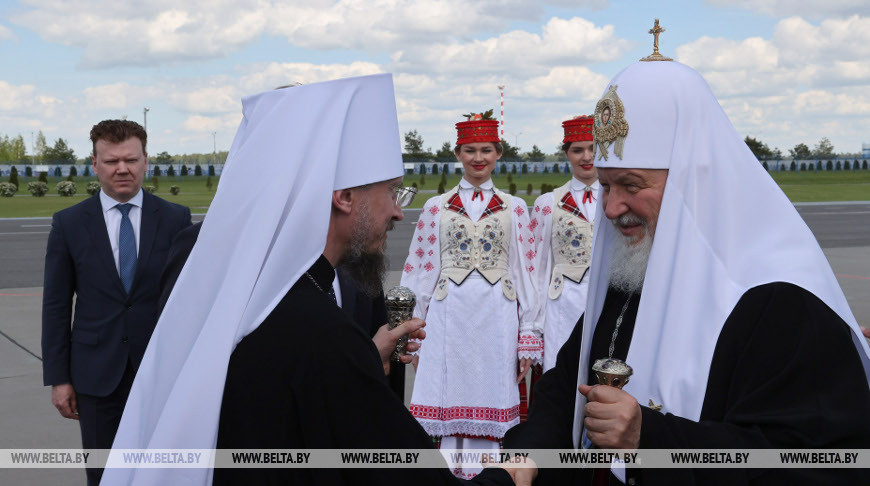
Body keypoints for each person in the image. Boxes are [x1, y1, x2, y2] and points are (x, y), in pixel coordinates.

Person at [104, 74, 529, 485]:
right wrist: (507, 476)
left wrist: (364, 356)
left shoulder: (290, 301)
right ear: (343, 197)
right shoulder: (324, 332)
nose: (399, 212)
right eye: (391, 192)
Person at [504, 59, 870, 485]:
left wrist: (653, 437)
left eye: (631, 185)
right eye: (605, 185)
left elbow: (814, 460)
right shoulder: (634, 274)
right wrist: (525, 459)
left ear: (692, 182)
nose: (610, 208)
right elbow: (566, 386)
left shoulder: (783, 298)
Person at [41, 119, 191, 485]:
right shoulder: (69, 223)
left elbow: (188, 299)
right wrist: (59, 379)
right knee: (104, 474)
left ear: (145, 161)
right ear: (94, 164)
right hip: (95, 376)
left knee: (161, 472)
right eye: (111, 161)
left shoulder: (176, 219)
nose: (122, 168)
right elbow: (56, 306)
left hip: (160, 372)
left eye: (130, 159)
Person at [401, 112, 542, 478]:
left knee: (491, 395)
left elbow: (525, 271)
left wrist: (529, 331)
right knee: (449, 401)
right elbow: (420, 269)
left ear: (498, 154)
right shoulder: (437, 207)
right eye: (470, 150)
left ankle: (490, 477)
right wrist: (412, 329)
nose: (478, 158)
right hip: (450, 319)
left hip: (497, 318)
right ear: (458, 154)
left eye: (485, 150)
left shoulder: (514, 207)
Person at [157, 220, 407, 398]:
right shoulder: (203, 243)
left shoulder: (356, 244)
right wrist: (365, 360)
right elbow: (180, 359)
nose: (397, 212)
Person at [530, 115, 598, 373]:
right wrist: (535, 323)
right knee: (563, 373)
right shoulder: (548, 203)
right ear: (567, 154)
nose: (586, 156)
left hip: (606, 299)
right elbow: (536, 268)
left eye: (593, 148)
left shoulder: (618, 198)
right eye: (577, 150)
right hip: (563, 305)